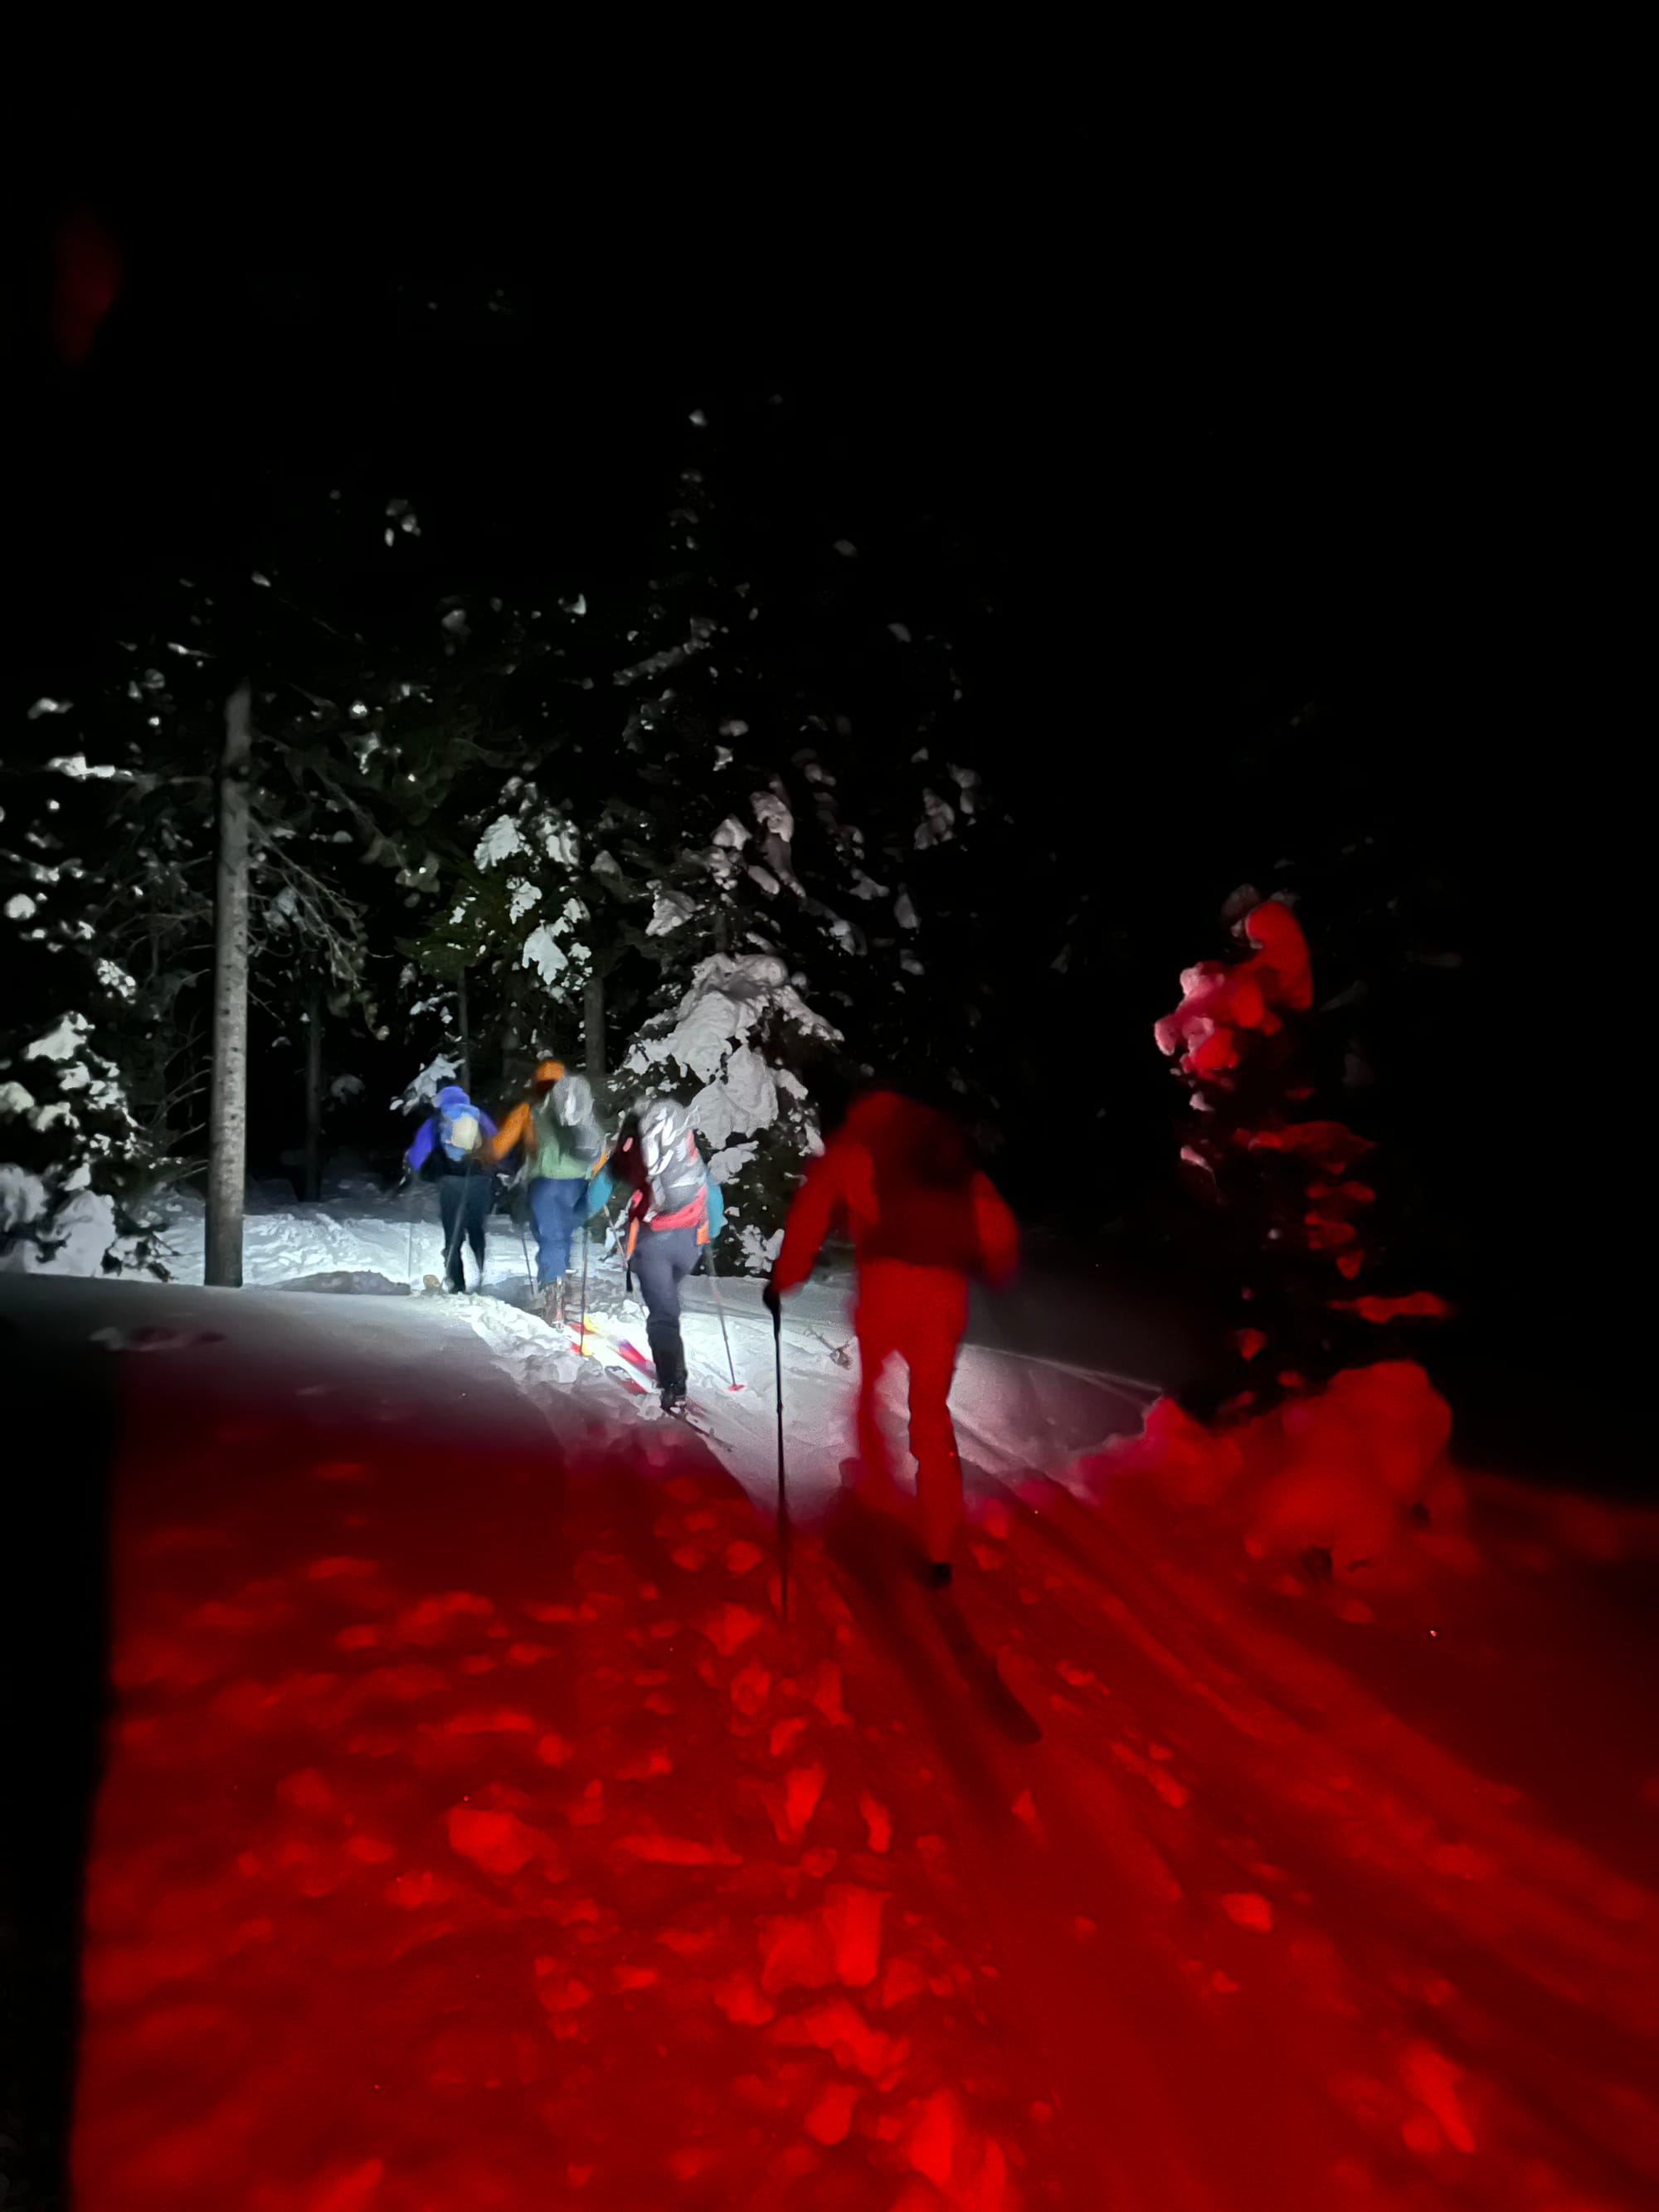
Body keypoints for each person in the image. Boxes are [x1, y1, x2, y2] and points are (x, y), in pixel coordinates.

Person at [766, 1087, 1018, 1585]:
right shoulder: (934, 1142)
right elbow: (989, 1211)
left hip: (886, 1285)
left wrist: (783, 1280)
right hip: (944, 1291)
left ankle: (875, 1487)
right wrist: (996, 1261)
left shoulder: (857, 1142)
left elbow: (812, 1210)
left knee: (870, 1388)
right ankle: (940, 1543)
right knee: (931, 1409)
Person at [598, 1095, 723, 1412]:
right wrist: (710, 1232)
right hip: (689, 1242)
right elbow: (712, 1193)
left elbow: (601, 1187)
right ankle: (672, 1364)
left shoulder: (632, 1150)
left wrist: (581, 1211)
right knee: (667, 1304)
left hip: (654, 1244)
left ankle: (673, 1384)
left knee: (663, 1315)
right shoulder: (684, 1149)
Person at [487, 1059, 604, 1320]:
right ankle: (562, 1288)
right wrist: (596, 1175)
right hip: (578, 1184)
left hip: (546, 1183)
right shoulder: (576, 1108)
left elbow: (498, 1148)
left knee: (550, 1236)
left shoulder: (529, 1110)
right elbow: (597, 1148)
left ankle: (554, 1291)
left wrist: (484, 1153)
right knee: (563, 1235)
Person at [405, 1082, 499, 1293]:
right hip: (479, 1179)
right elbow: (496, 1144)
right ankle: (482, 1273)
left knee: (453, 1231)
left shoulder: (437, 1120)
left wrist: (414, 1170)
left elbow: (419, 1151)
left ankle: (456, 1282)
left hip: (450, 1180)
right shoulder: (479, 1117)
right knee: (476, 1227)